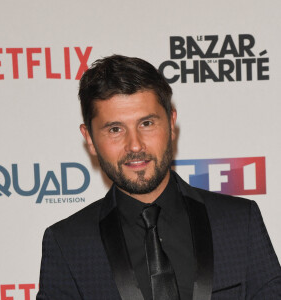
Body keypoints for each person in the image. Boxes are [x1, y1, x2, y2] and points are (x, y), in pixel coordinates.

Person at [37, 55, 281, 300]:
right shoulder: (67, 244)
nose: (134, 145)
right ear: (89, 137)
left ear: (171, 123)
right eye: (115, 129)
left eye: (147, 123)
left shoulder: (239, 222)